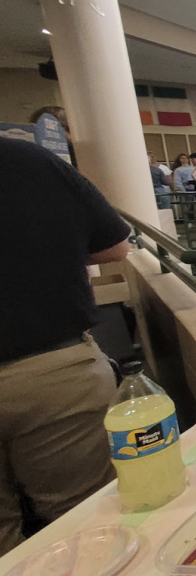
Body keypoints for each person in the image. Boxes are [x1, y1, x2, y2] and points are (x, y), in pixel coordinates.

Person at [0, 137, 131, 555]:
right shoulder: (26, 159)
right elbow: (115, 246)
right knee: (87, 530)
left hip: (47, 366)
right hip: (49, 364)